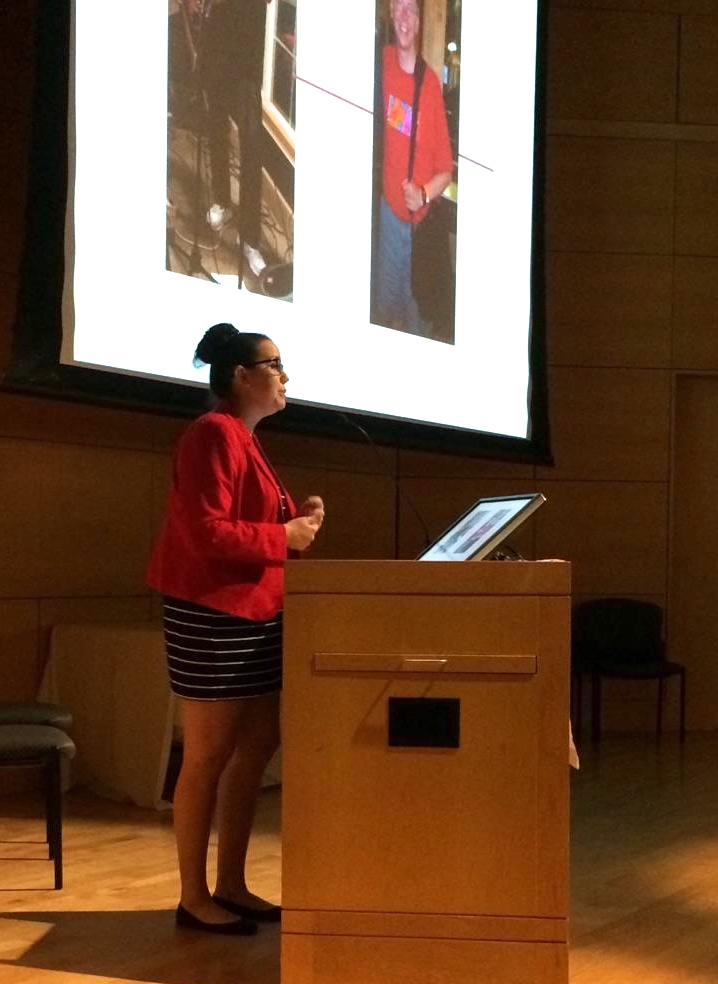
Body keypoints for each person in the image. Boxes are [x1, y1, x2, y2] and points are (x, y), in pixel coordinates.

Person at [147, 322, 324, 934]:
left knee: (255, 748)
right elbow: (207, 532)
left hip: (255, 614)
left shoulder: (244, 437)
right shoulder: (213, 432)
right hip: (211, 613)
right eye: (274, 365)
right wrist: (284, 535)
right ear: (240, 376)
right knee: (208, 756)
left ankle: (231, 884)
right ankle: (194, 898)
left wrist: (297, 525)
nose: (284, 375)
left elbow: (253, 527)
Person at [375, 0, 454, 336]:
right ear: (391, 13)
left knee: (416, 327)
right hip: (388, 220)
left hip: (420, 233)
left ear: (420, 22)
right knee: (385, 318)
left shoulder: (431, 84)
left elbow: (446, 170)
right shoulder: (379, 64)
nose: (404, 16)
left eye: (411, 9)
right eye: (399, 7)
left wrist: (422, 194)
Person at [186, 0, 271, 277]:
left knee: (252, 144)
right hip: (217, 41)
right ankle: (222, 199)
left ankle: (250, 239)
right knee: (216, 126)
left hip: (247, 48)